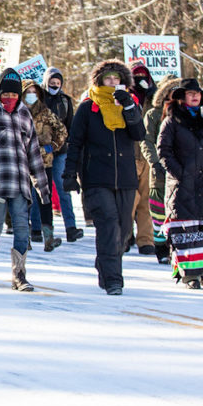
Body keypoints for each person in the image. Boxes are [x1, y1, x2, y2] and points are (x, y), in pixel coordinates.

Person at [62, 60, 147, 295]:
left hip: (126, 178)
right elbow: (75, 142)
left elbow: (139, 134)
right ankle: (113, 279)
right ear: (99, 81)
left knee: (124, 229)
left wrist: (130, 108)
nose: (112, 83)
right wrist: (70, 173)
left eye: (116, 79)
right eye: (108, 79)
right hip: (97, 177)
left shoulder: (130, 105)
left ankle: (105, 264)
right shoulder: (88, 107)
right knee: (108, 226)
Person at [0, 69, 51, 291]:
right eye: (6, 95)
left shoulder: (25, 115)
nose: (10, 100)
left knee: (22, 227)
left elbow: (33, 152)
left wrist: (41, 184)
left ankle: (19, 275)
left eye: (15, 96)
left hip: (20, 181)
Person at [157, 79, 203, 288]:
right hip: (182, 184)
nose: (195, 96)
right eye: (190, 93)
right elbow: (163, 152)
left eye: (197, 93)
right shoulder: (171, 121)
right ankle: (188, 274)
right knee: (185, 230)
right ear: (181, 97)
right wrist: (180, 174)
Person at [22, 79, 67, 252]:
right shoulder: (18, 112)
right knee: (24, 200)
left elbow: (62, 131)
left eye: (35, 92)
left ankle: (48, 237)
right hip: (23, 161)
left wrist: (52, 147)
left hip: (44, 162)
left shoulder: (46, 112)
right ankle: (23, 237)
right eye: (28, 92)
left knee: (45, 199)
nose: (31, 95)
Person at [141, 77, 181, 265]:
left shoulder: (184, 113)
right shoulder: (153, 114)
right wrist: (155, 162)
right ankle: (161, 246)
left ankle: (177, 246)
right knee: (158, 211)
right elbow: (146, 140)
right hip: (159, 171)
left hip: (180, 170)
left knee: (178, 210)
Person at [41, 68, 80, 242]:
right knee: (42, 190)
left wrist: (67, 144)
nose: (54, 86)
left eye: (57, 83)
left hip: (60, 150)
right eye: (52, 83)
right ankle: (38, 228)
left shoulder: (65, 101)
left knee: (64, 189)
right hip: (41, 151)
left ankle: (70, 227)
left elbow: (71, 125)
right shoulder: (38, 99)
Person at [128, 62, 158, 255]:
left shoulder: (154, 98)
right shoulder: (125, 97)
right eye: (136, 76)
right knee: (129, 199)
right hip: (130, 153)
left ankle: (146, 239)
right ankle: (125, 235)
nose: (141, 80)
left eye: (143, 75)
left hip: (148, 154)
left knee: (146, 200)